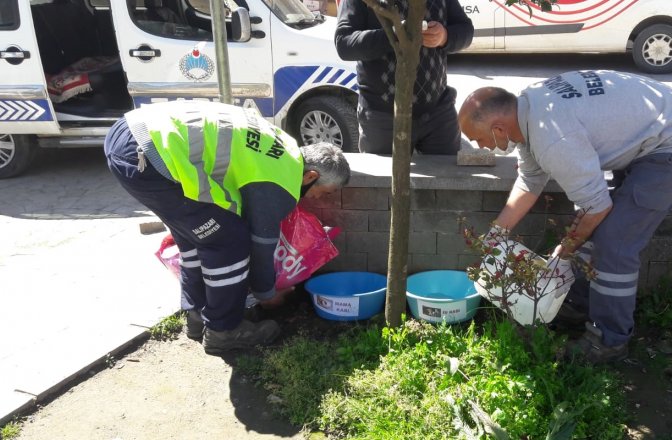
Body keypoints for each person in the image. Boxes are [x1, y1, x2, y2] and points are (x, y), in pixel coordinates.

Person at [458, 70, 672, 364]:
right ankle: (579, 303)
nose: (478, 147)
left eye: (477, 139)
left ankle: (609, 341)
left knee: (614, 241)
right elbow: (530, 181)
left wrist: (564, 250)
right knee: (597, 233)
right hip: (652, 127)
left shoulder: (553, 138)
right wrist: (494, 236)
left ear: (499, 129)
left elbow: (597, 208)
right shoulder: (530, 112)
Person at [104, 101, 351, 355]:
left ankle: (197, 316)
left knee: (195, 237)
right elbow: (262, 243)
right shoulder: (282, 181)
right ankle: (224, 330)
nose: (320, 199)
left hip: (131, 133)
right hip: (149, 158)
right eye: (325, 192)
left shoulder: (285, 147)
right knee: (229, 240)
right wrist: (268, 293)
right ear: (310, 176)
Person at [335, 0, 473, 155]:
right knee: (383, 177)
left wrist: (445, 36)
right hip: (382, 116)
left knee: (447, 176)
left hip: (438, 113)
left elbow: (466, 30)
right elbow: (344, 43)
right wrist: (393, 35)